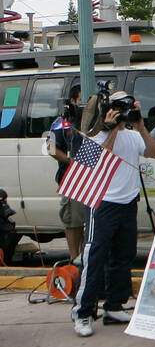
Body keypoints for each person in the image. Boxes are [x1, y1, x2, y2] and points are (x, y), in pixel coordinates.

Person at [72, 92, 155, 337]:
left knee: (124, 255)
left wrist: (141, 127)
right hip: (102, 202)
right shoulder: (94, 136)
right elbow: (96, 162)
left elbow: (154, 153)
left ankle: (114, 305)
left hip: (127, 203)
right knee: (95, 256)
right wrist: (111, 129)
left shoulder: (133, 136)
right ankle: (83, 312)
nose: (124, 114)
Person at [48, 85, 85, 264]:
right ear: (73, 101)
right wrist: (70, 161)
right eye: (81, 100)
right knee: (73, 221)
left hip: (92, 180)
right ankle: (73, 259)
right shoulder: (62, 123)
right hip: (72, 180)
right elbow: (50, 147)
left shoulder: (95, 121)